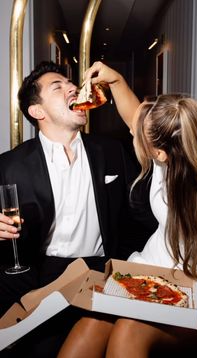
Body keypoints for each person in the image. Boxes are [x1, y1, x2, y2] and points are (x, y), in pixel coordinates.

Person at [57, 61, 197, 357]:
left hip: (189, 301)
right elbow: (134, 115)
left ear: (161, 153)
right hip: (143, 277)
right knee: (91, 321)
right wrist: (116, 80)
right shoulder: (171, 158)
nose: (133, 136)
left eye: (138, 138)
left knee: (128, 331)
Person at [0, 61, 157, 357]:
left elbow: (141, 214)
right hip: (43, 275)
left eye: (71, 83)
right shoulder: (9, 166)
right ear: (38, 112)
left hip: (101, 271)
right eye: (58, 87)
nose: (73, 87)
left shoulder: (111, 151)